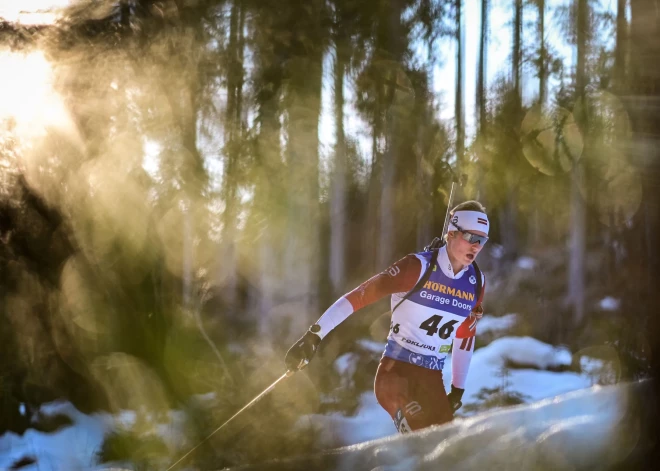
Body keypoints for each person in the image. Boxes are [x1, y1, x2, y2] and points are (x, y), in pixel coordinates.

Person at [285, 200, 489, 433]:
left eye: (482, 240)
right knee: (421, 442)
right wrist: (314, 336)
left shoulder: (476, 282)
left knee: (446, 454)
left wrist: (458, 389)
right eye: (471, 237)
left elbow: (465, 334)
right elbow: (358, 297)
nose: (476, 246)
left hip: (432, 381)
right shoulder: (417, 266)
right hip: (395, 376)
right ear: (452, 232)